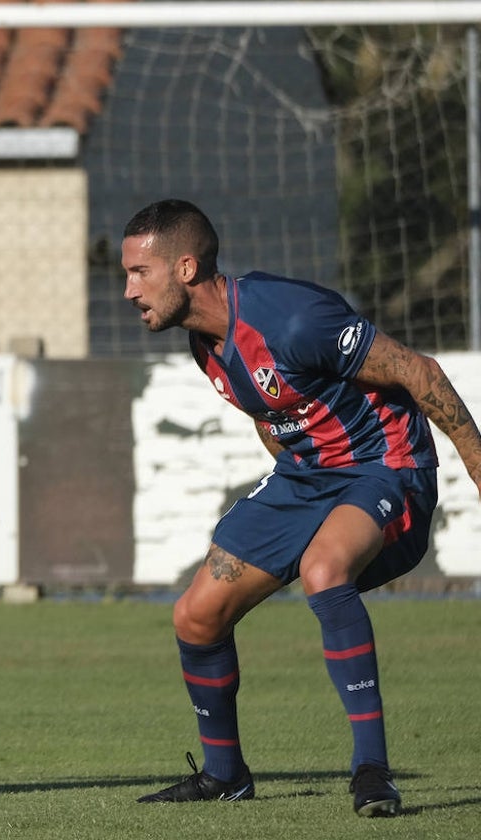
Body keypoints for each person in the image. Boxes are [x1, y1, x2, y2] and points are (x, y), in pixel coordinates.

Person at [122, 199, 481, 816]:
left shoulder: (290, 319)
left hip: (384, 464)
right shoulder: (203, 342)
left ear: (184, 268)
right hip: (304, 478)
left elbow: (418, 372)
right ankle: (224, 775)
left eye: (138, 272)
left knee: (323, 571)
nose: (129, 290)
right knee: (195, 617)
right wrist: (292, 483)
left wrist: (478, 468)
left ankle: (372, 772)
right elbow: (273, 416)